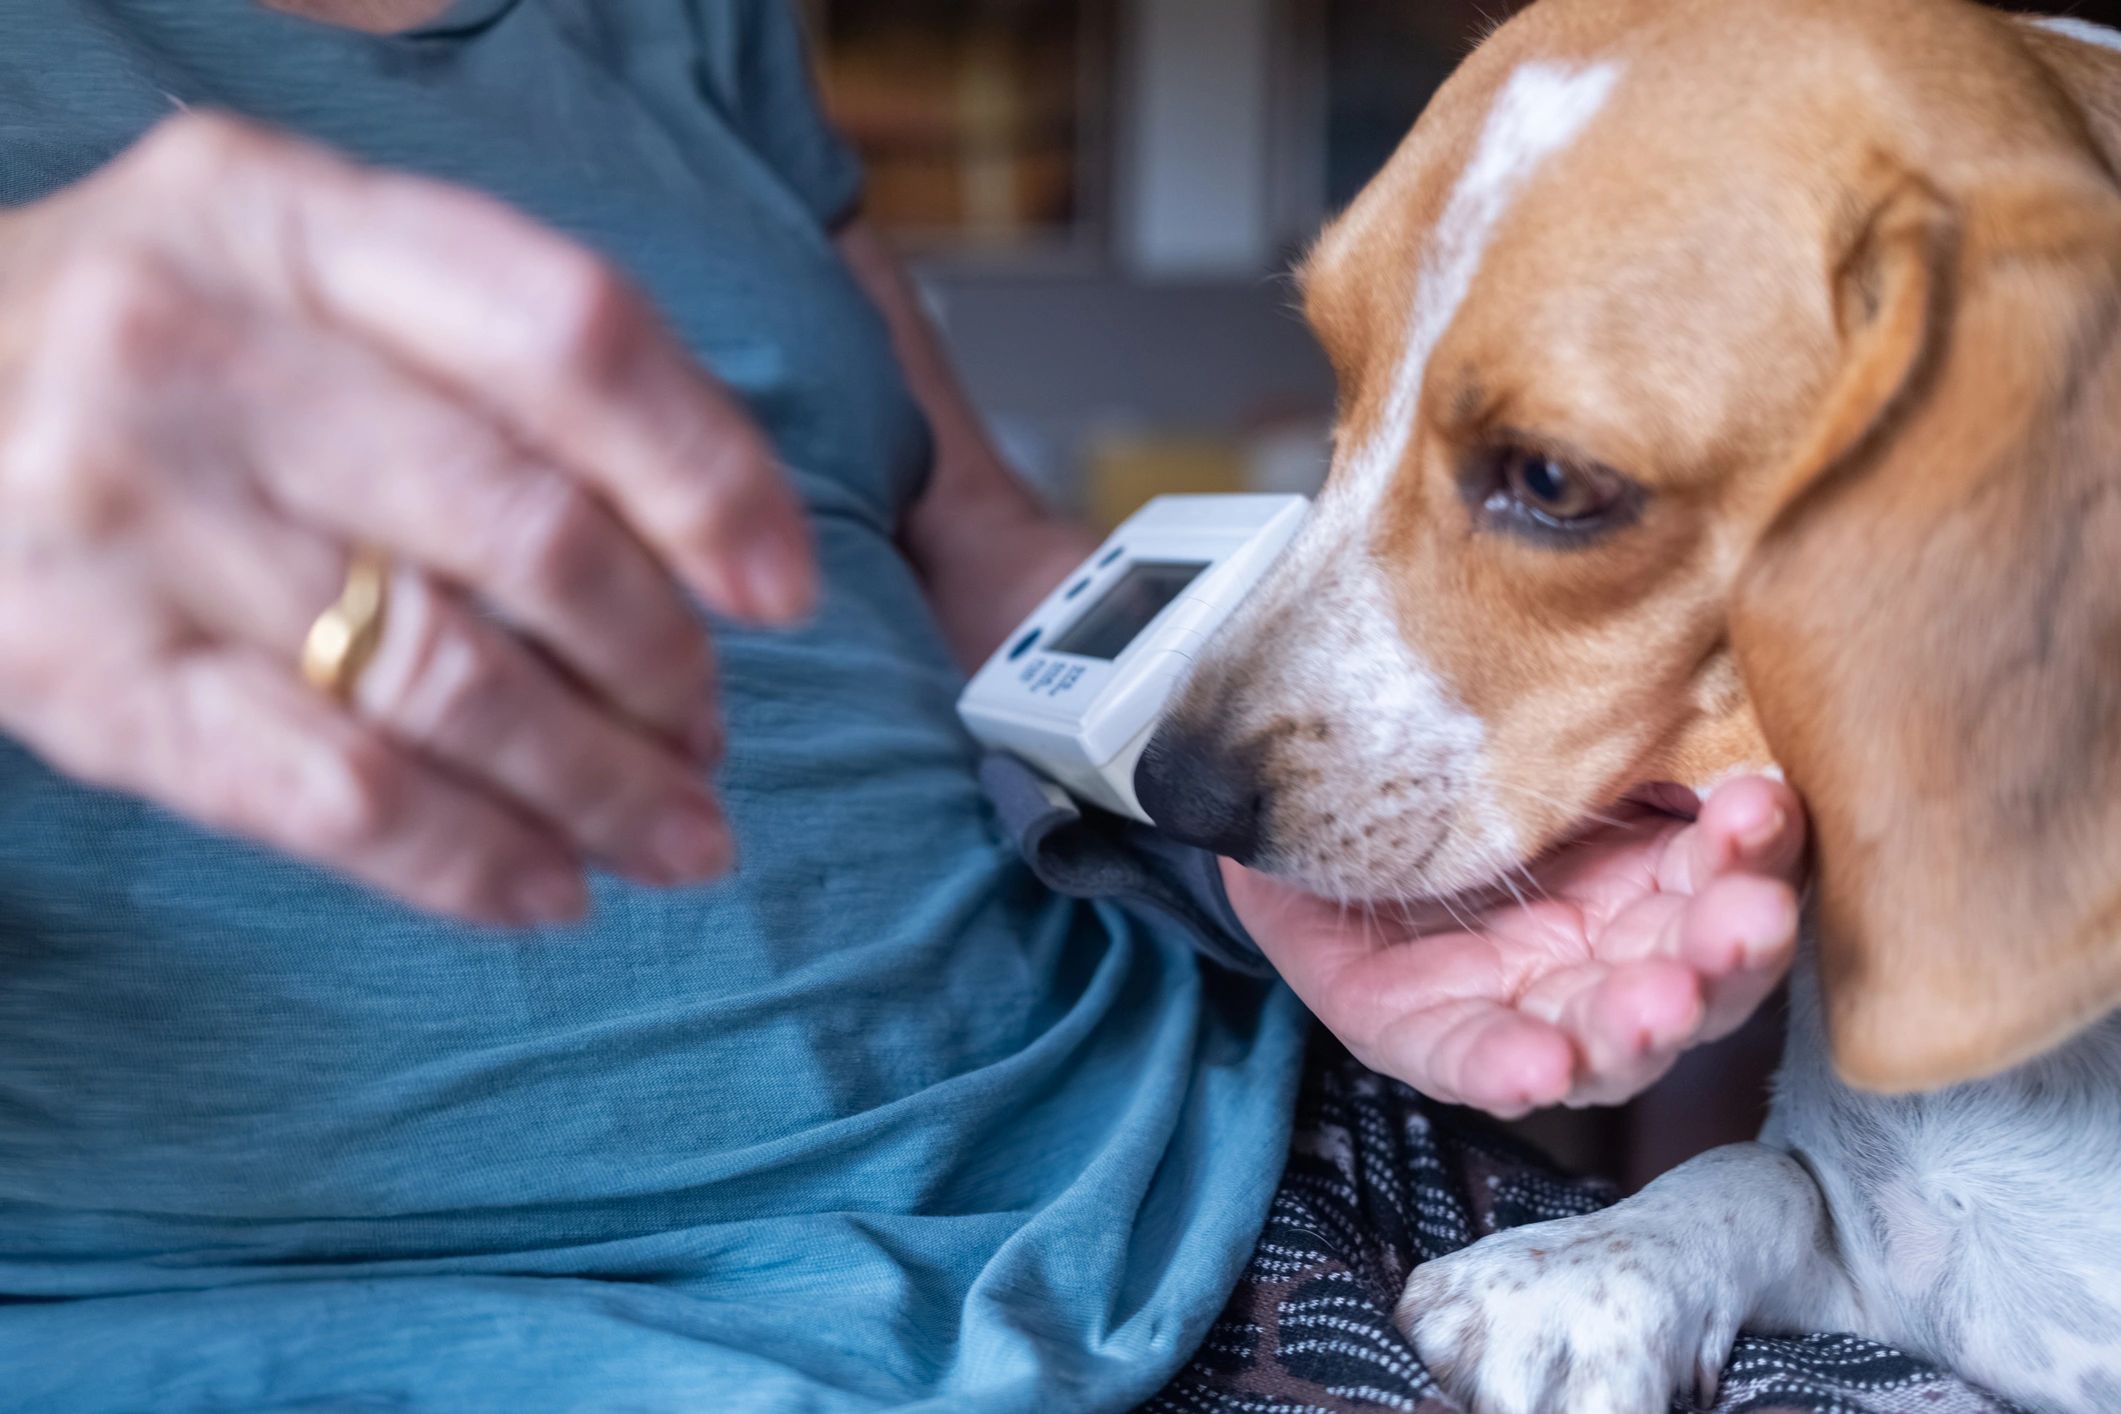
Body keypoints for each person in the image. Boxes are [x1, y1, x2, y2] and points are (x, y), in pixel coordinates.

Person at [0, 1, 1809, 1408]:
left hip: (1172, 1166)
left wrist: (1249, 829)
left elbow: (982, 544)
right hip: (293, 1316)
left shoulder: (690, 22)